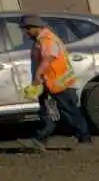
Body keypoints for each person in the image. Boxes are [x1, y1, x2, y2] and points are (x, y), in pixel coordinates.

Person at [21, 14, 92, 150]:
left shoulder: (47, 39)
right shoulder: (40, 39)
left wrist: (37, 75)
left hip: (59, 84)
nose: (25, 33)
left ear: (34, 27)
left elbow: (48, 59)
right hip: (48, 84)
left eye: (26, 29)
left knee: (70, 112)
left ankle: (85, 138)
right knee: (46, 111)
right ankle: (41, 138)